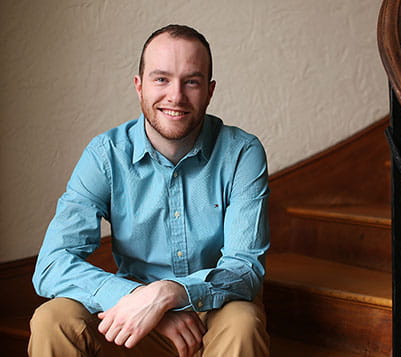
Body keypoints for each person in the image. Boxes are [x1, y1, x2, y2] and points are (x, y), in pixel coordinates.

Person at [28, 24, 270, 357]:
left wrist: (171, 294)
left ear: (210, 91)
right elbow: (52, 264)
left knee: (244, 320)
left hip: (211, 310)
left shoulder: (242, 152)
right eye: (161, 79)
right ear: (139, 86)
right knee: (53, 319)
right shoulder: (105, 155)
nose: (176, 96)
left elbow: (244, 269)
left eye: (192, 82)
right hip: (129, 316)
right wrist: (134, 299)